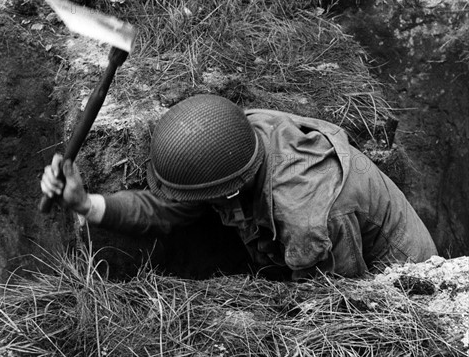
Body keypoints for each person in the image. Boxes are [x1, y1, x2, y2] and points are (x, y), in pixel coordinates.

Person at [41, 94, 438, 279]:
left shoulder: (306, 218)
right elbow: (168, 209)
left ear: (229, 191)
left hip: (402, 278)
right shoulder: (233, 136)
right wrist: (85, 202)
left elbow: (335, 309)